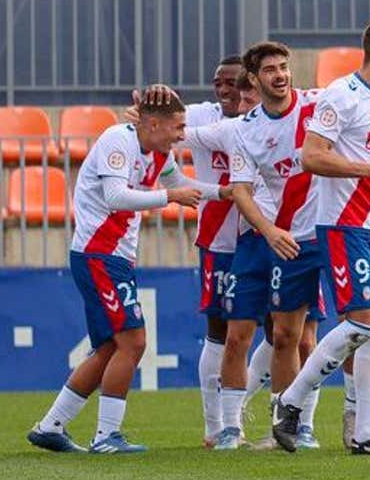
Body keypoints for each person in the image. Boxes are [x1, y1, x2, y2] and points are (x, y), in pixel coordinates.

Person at [272, 17, 370, 455]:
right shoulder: (340, 96)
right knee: (360, 324)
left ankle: (366, 434)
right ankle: (290, 401)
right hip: (344, 225)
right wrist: (367, 170)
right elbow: (311, 156)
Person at [27, 93, 223, 454]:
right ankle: (106, 436)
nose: (182, 134)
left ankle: (50, 426)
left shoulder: (158, 152)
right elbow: (116, 196)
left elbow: (180, 182)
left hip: (113, 256)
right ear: (153, 124)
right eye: (177, 127)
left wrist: (226, 192)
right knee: (133, 342)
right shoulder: (117, 141)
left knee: (107, 348)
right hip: (99, 254)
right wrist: (170, 197)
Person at [169, 73, 328, 450]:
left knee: (301, 338)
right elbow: (176, 134)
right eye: (246, 94)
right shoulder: (234, 129)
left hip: (299, 239)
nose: (248, 100)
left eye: (250, 92)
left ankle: (297, 424)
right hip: (252, 240)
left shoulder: (307, 112)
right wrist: (147, 111)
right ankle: (228, 427)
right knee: (237, 334)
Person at [220, 41, 325, 449]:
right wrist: (269, 230)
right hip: (276, 238)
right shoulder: (245, 130)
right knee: (269, 335)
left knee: (313, 335)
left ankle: (331, 424)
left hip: (322, 234)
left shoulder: (318, 107)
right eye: (269, 70)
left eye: (284, 67)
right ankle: (255, 429)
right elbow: (241, 191)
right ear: (254, 79)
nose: (280, 74)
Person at [183, 54, 246, 447]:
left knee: (282, 331)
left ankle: (240, 415)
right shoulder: (201, 116)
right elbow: (160, 120)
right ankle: (214, 426)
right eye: (218, 82)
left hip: (264, 236)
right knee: (219, 331)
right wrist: (150, 103)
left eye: (232, 83)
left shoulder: (264, 117)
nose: (223, 90)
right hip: (219, 241)